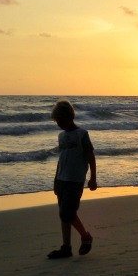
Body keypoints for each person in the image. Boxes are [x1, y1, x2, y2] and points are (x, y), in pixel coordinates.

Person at [48, 100, 97, 259]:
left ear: (68, 117)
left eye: (60, 121)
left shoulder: (82, 134)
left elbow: (90, 156)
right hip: (62, 179)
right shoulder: (61, 136)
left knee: (67, 212)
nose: (58, 124)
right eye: (57, 122)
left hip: (75, 180)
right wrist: (56, 179)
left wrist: (93, 178)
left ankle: (85, 236)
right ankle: (66, 247)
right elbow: (61, 159)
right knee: (64, 214)